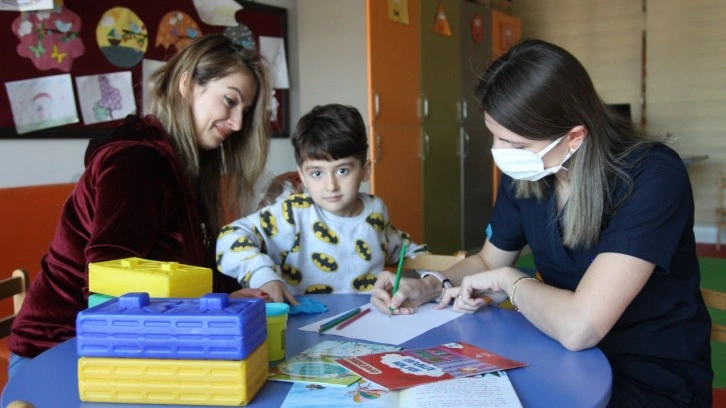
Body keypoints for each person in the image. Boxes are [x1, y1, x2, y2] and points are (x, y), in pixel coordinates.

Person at [371, 40, 713, 407]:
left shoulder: (652, 175)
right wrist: (429, 285)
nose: (501, 153)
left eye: (516, 144)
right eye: (495, 136)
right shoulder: (530, 173)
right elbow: (488, 261)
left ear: (574, 137)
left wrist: (510, 281)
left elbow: (581, 326)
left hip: (647, 377)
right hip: (556, 354)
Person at [7, 34, 272, 378]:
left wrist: (231, 292)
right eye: (230, 101)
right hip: (60, 349)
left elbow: (179, 269)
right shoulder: (139, 160)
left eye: (245, 111)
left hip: (104, 344)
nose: (237, 123)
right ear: (186, 84)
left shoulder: (181, 164)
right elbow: (109, 287)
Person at [217, 104, 429, 303]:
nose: (331, 186)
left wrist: (429, 280)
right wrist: (263, 276)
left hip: (368, 327)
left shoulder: (376, 211)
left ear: (365, 170)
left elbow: (405, 252)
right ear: (303, 176)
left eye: (342, 170)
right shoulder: (293, 213)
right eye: (317, 173)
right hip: (304, 331)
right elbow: (230, 236)